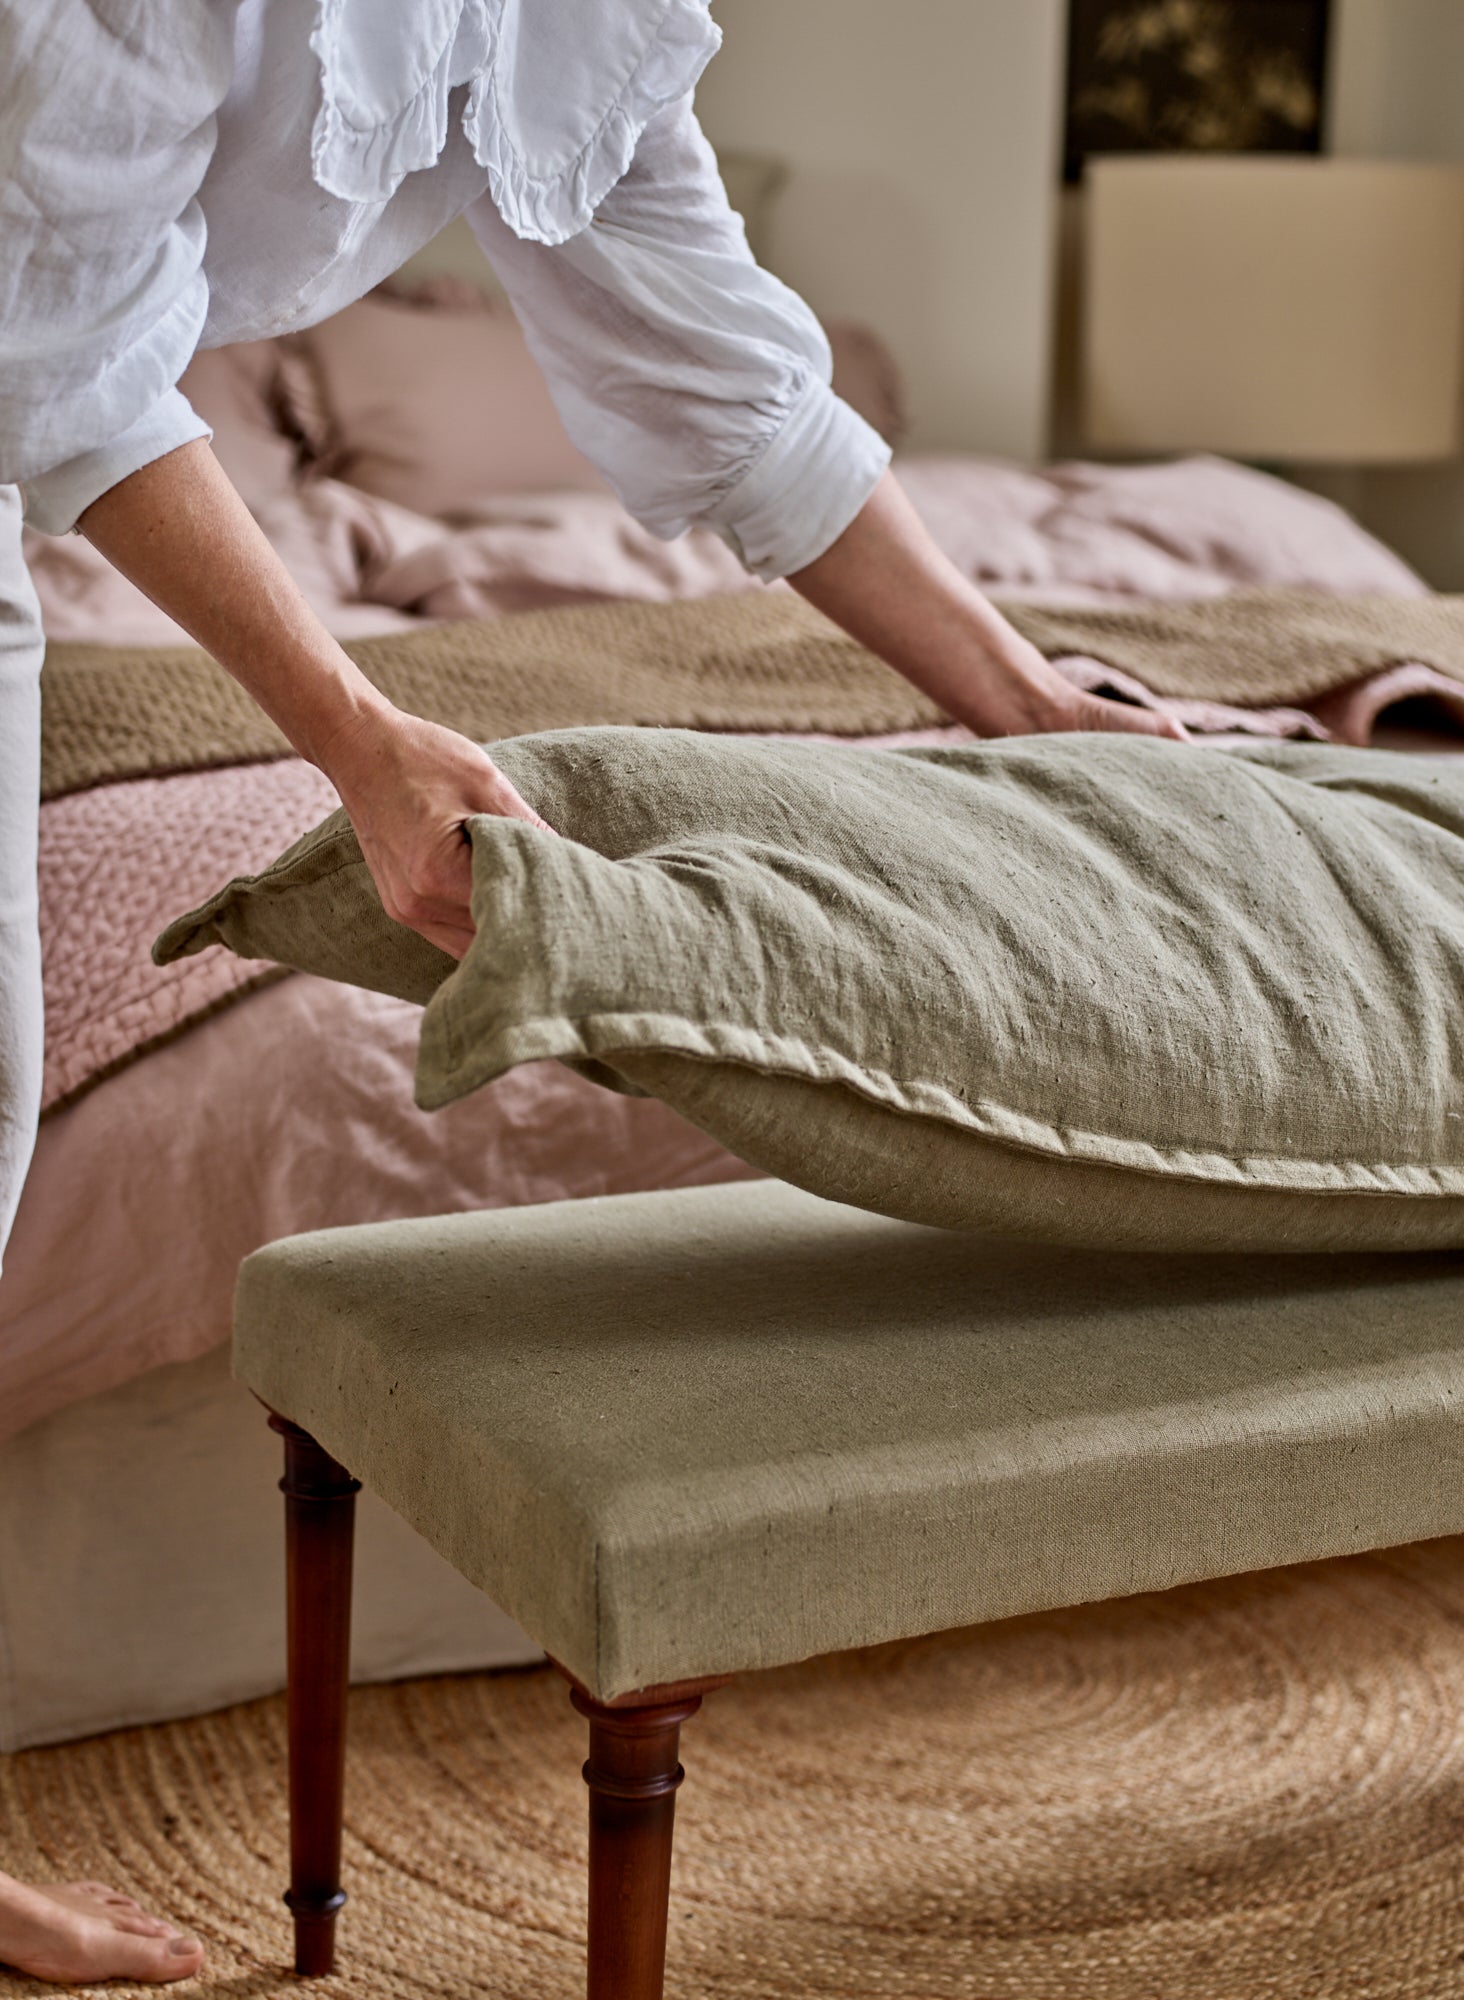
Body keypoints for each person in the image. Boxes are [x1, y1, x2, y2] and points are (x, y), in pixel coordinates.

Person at [0, 1, 1184, 1980]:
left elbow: (734, 390)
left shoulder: (576, 26)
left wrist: (1024, 698)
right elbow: (81, 371)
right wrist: (366, 737)